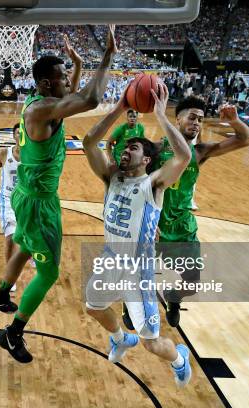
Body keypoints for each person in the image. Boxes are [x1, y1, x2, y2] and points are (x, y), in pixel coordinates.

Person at [0, 25, 117, 363]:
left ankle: (2, 296)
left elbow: (72, 98)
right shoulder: (38, 111)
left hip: (30, 195)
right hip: (38, 203)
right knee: (48, 274)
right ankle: (12, 333)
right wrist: (108, 54)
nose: (65, 82)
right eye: (61, 77)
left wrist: (76, 68)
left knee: (26, 245)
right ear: (47, 83)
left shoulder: (43, 102)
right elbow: (88, 99)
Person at [83, 82, 192, 386]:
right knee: (94, 306)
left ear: (146, 160)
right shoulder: (111, 177)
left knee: (152, 343)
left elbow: (182, 157)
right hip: (110, 259)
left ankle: (180, 359)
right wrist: (118, 107)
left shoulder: (153, 184)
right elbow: (90, 142)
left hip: (138, 270)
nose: (124, 149)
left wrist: (160, 113)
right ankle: (119, 339)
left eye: (132, 147)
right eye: (123, 146)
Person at [124, 96, 249, 328]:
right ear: (178, 119)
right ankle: (130, 303)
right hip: (154, 224)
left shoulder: (200, 152)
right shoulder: (153, 150)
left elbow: (246, 139)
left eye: (201, 120)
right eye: (192, 117)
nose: (197, 123)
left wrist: (234, 120)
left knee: (192, 282)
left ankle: (173, 297)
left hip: (182, 225)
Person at [0, 124, 22, 296]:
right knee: (10, 239)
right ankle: (10, 278)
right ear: (14, 135)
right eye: (17, 132)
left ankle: (29, 257)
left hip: (26, 201)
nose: (21, 134)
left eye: (23, 132)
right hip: (8, 200)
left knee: (26, 237)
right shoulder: (3, 154)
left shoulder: (33, 154)